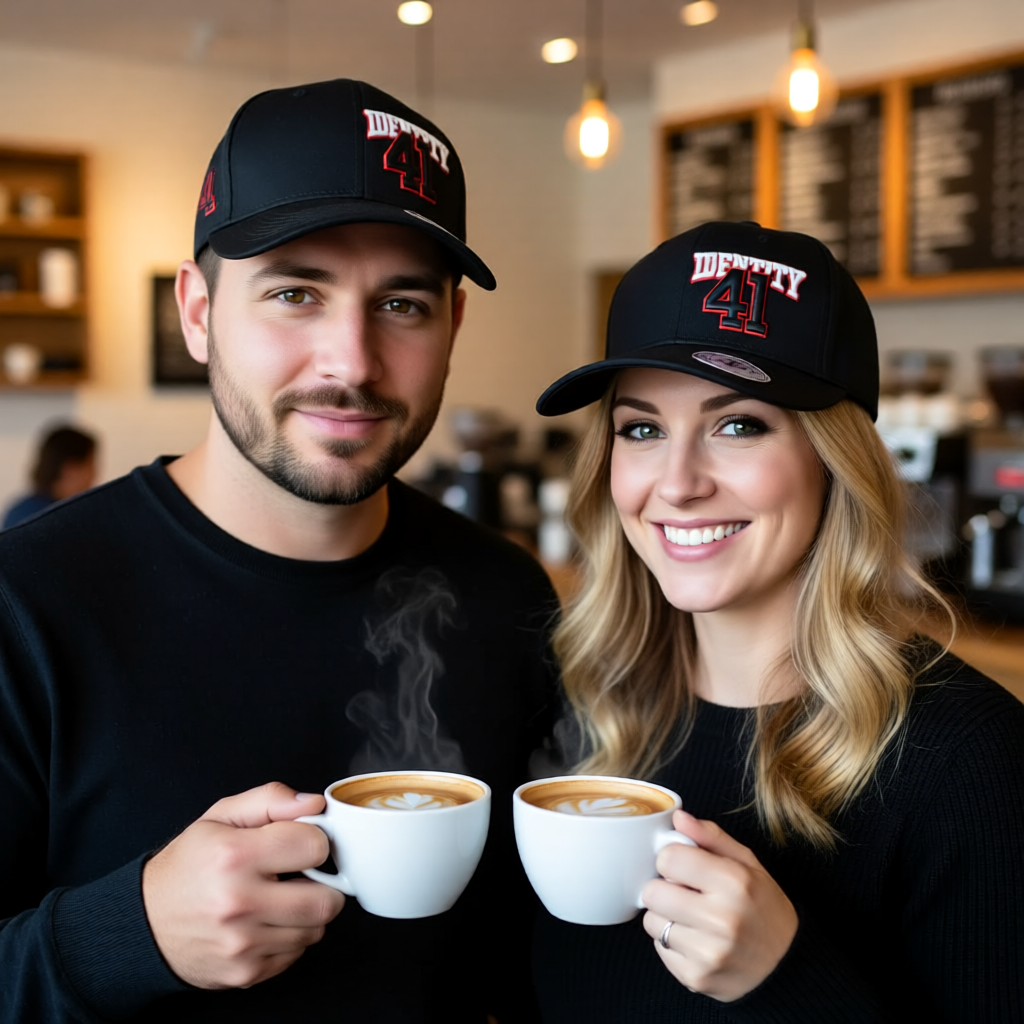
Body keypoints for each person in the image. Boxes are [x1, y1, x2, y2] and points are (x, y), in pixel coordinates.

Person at [0, 80, 557, 1023]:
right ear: (198, 311)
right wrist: (125, 933)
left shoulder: (507, 594)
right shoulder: (29, 603)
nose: (350, 361)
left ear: (453, 327)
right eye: (295, 292)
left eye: (404, 304)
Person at [531, 221, 1024, 1022]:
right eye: (643, 429)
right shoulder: (587, 702)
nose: (679, 482)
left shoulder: (970, 763)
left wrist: (784, 978)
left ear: (836, 461)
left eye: (739, 424)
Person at [2, 424, 97, 528]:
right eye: (90, 465)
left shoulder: (19, 511)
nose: (94, 475)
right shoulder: (56, 519)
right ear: (69, 469)